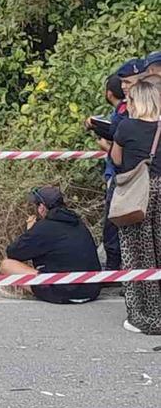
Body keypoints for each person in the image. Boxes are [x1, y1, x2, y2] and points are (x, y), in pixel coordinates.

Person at [110, 78, 161, 334]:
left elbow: (117, 159)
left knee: (137, 254)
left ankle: (145, 316)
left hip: (138, 193)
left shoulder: (127, 127)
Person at [0, 186, 102, 304]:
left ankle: (26, 291)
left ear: (42, 208)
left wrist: (30, 232)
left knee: (6, 264)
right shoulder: (79, 223)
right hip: (91, 290)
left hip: (63, 292)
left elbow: (13, 252)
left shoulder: (43, 227)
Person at [88, 74, 128, 272]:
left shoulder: (124, 112)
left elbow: (121, 145)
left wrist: (107, 147)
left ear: (108, 92)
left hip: (120, 174)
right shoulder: (126, 110)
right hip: (126, 174)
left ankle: (113, 268)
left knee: (113, 223)